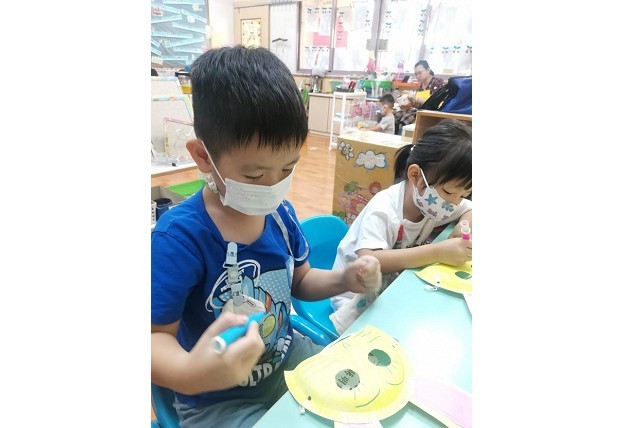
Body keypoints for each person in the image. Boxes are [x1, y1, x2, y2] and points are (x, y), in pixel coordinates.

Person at [151, 45, 382, 428]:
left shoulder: (280, 214)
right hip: (217, 398)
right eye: (255, 175)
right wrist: (191, 373)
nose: (273, 186)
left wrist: (345, 278)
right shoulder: (179, 238)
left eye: (287, 169)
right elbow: (154, 337)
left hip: (286, 360)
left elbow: (301, 281)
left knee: (363, 393)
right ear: (204, 157)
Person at [329, 119, 472, 334]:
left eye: (463, 195)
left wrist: (464, 224)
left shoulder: (434, 203)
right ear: (415, 175)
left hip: (390, 285)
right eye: (450, 192)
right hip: (354, 296)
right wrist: (439, 252)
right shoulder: (384, 209)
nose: (454, 203)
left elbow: (470, 209)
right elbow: (369, 260)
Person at [394, 60, 446, 133]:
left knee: (406, 119)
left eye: (420, 73)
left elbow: (434, 104)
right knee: (396, 115)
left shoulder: (437, 82)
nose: (418, 76)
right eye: (416, 74)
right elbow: (417, 104)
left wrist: (416, 98)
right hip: (419, 111)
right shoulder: (421, 85)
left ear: (428, 70)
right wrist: (410, 100)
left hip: (430, 113)